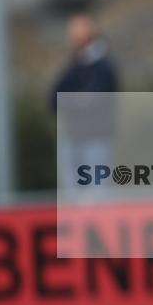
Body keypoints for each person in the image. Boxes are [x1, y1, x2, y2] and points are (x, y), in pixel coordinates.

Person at [49, 14, 118, 195]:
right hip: (73, 136)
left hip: (95, 137)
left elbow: (95, 100)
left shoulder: (102, 66)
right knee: (73, 194)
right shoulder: (75, 65)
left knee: (98, 192)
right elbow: (55, 98)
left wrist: (75, 102)